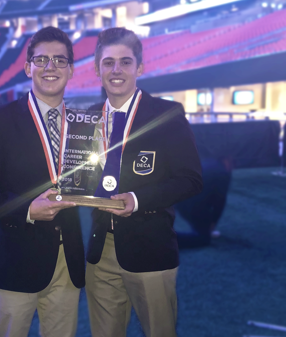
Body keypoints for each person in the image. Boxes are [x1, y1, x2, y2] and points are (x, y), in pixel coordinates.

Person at [0, 26, 85, 337]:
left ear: (71, 70)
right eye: (41, 59)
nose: (50, 67)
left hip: (66, 259)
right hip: (16, 259)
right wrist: (27, 209)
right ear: (27, 66)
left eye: (60, 60)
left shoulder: (84, 125)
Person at [85, 27, 203, 337]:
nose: (116, 70)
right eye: (108, 62)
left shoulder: (167, 114)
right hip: (100, 250)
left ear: (140, 67)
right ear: (97, 69)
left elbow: (190, 180)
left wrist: (137, 200)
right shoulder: (86, 119)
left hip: (150, 248)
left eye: (125, 62)